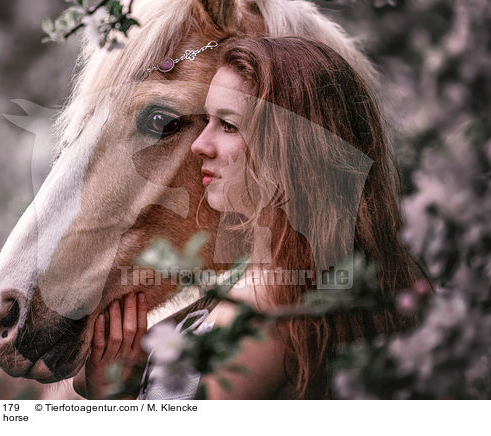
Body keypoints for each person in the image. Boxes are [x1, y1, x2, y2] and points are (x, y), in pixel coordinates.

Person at [72, 36, 426, 399]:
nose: (200, 144)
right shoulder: (269, 276)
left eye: (228, 125)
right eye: (207, 120)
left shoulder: (273, 309)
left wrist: (111, 398)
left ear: (292, 146)